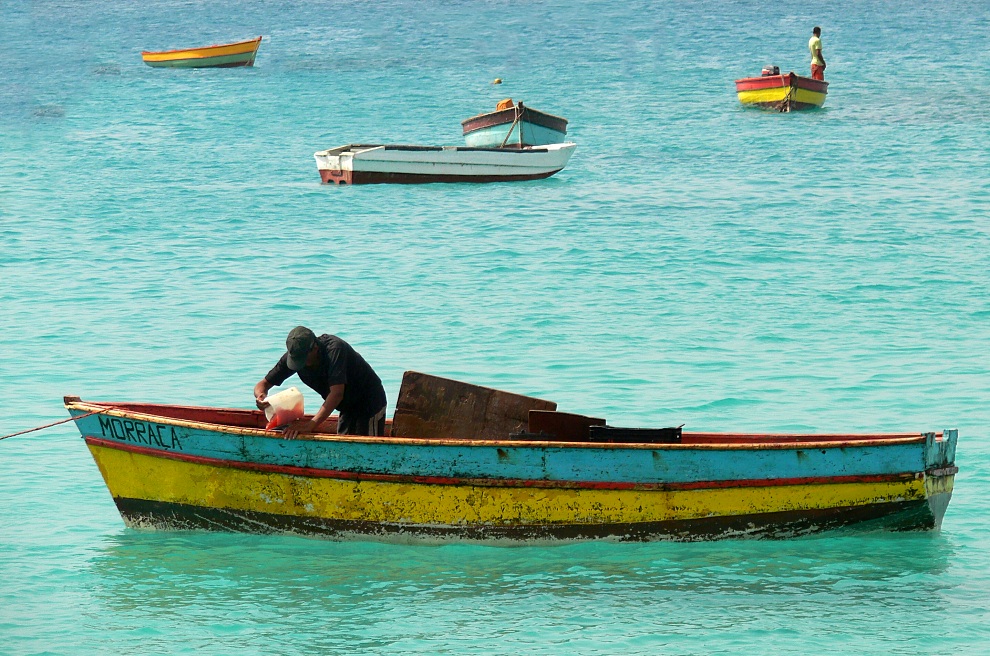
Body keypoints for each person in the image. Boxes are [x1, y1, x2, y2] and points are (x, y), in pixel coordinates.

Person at [254, 326, 387, 438]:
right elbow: (262, 385)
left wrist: (310, 425)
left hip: (369, 402)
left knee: (365, 451)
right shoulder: (293, 358)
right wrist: (261, 396)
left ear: (315, 347)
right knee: (344, 451)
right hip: (346, 407)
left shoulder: (335, 350)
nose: (301, 365)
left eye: (304, 359)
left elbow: (336, 394)